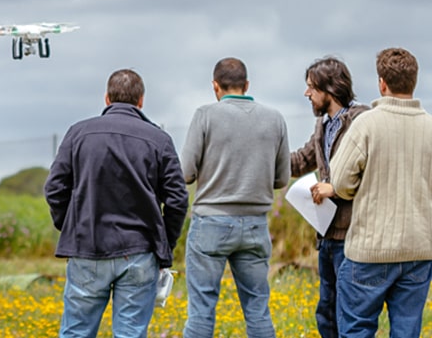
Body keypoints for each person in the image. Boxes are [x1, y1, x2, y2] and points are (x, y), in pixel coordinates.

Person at [44, 68, 189, 338]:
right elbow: (178, 200)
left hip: (86, 246)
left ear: (107, 98)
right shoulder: (159, 140)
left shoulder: (78, 133)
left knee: (76, 332)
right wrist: (164, 245)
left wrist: (72, 226)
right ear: (141, 100)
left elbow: (54, 189)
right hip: (139, 250)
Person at [181, 57, 290, 338]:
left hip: (210, 223)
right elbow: (281, 179)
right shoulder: (275, 118)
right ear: (247, 85)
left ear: (216, 87)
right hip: (255, 225)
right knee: (257, 309)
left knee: (202, 310)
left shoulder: (205, 114)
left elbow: (186, 173)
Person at [330, 47, 432, 337]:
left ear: (381, 83)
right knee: (406, 331)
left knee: (357, 329)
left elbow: (339, 183)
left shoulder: (367, 124)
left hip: (369, 250)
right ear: (414, 81)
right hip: (419, 249)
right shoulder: (430, 127)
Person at [289, 56, 369, 338]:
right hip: (327, 237)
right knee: (326, 313)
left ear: (330, 89)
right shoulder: (323, 126)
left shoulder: (362, 121)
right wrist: (261, 159)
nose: (306, 93)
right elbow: (300, 161)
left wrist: (334, 187)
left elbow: (368, 174)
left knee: (351, 314)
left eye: (311, 87)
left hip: (352, 235)